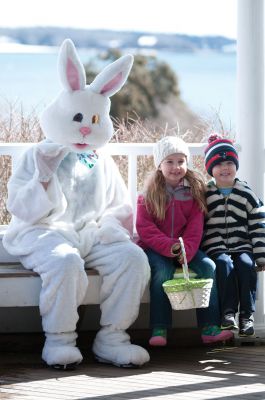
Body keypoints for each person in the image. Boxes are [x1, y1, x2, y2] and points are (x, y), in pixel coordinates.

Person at [136, 136, 233, 346]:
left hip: (186, 248)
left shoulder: (194, 193)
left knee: (208, 266)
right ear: (159, 165)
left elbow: (195, 227)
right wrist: (168, 247)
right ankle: (159, 327)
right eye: (169, 161)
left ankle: (210, 327)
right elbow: (145, 229)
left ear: (186, 164)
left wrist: (186, 251)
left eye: (180, 161)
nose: (175, 167)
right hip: (156, 249)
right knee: (162, 271)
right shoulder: (148, 195)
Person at [202, 134, 265, 337]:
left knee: (247, 266)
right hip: (215, 245)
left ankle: (247, 316)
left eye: (229, 162)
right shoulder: (204, 193)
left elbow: (258, 222)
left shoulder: (245, 192)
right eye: (219, 164)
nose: (225, 168)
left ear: (236, 165)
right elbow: (196, 222)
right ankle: (228, 313)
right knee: (224, 265)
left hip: (242, 244)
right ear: (211, 169)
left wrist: (261, 254)